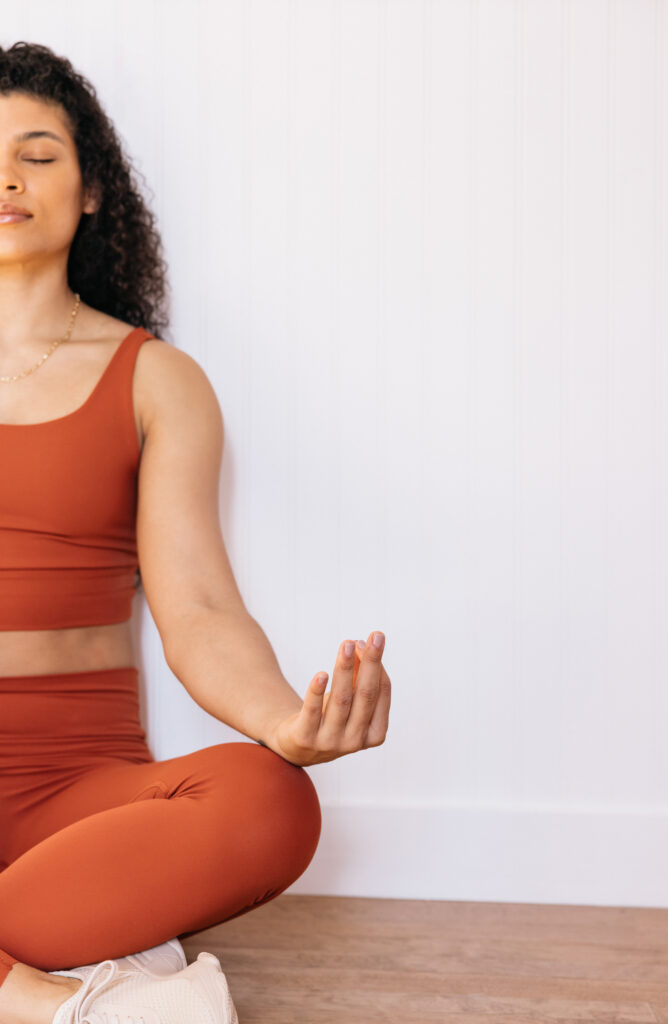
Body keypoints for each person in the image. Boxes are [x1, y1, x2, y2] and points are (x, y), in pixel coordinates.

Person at [0, 41, 391, 1024]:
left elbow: (201, 609)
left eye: (37, 153)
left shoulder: (155, 379)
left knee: (271, 801)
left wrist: (280, 723)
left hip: (73, 796)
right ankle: (46, 997)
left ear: (93, 189)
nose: (6, 175)